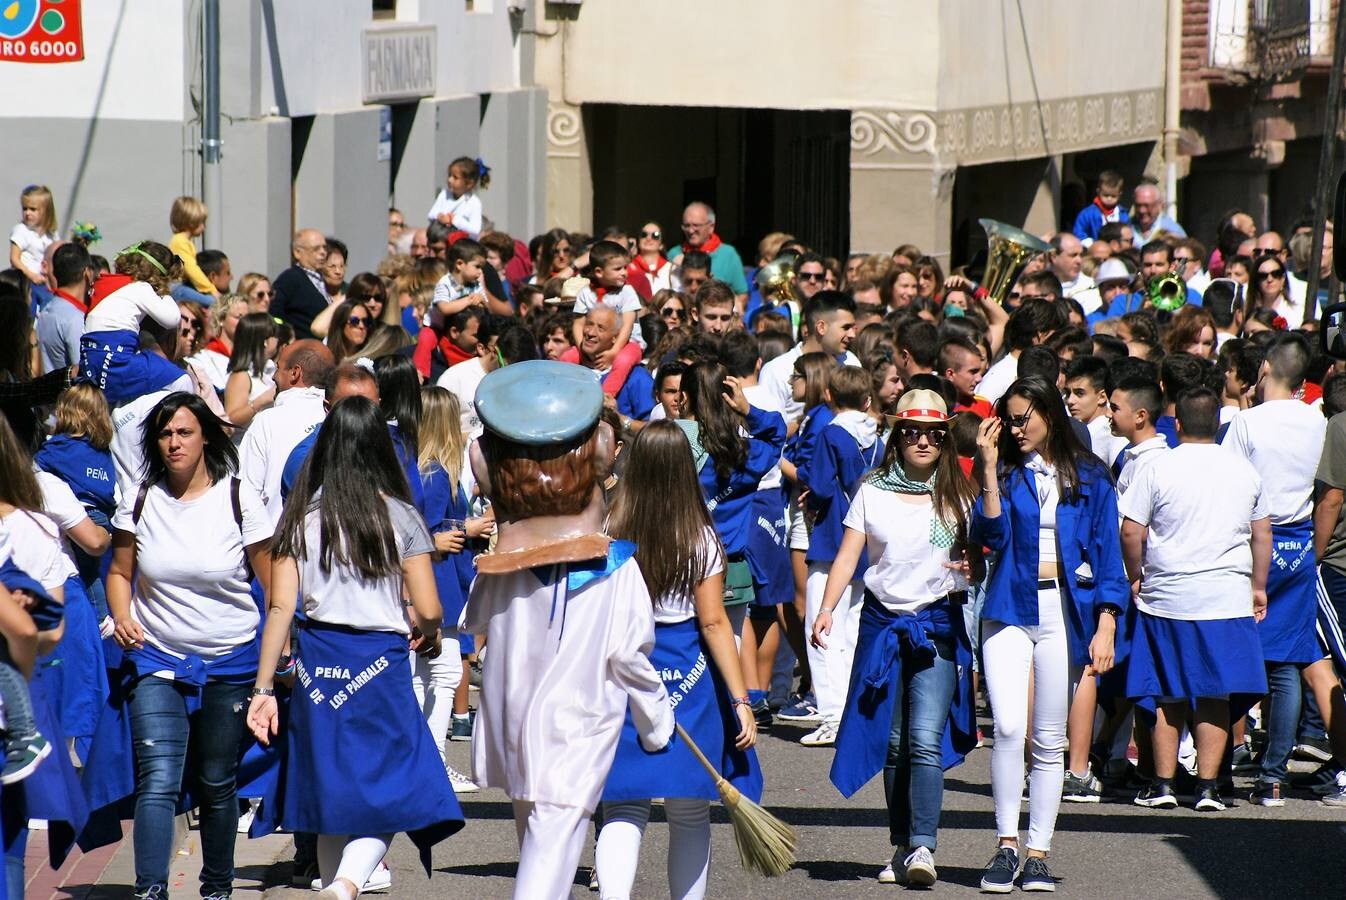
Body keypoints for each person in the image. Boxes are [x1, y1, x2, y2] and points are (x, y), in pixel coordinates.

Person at [465, 360, 674, 900]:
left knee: (533, 842)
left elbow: (476, 621)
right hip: (575, 733)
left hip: (515, 725)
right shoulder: (618, 571)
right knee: (547, 862)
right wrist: (657, 722)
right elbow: (630, 657)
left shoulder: (500, 571)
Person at [247, 396, 463, 900]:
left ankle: (333, 882)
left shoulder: (301, 517)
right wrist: (424, 627)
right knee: (393, 789)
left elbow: (279, 609)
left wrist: (262, 688)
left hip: (317, 662)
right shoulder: (401, 517)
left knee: (329, 792)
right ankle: (345, 884)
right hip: (380, 665)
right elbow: (430, 609)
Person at [105, 392, 273, 900]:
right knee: (157, 778)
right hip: (157, 656)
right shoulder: (139, 495)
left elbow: (273, 589)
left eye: (184, 432)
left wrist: (279, 659)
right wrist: (121, 614)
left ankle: (217, 887)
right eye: (164, 434)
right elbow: (118, 572)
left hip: (232, 660)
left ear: (205, 436)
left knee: (217, 781)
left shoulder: (239, 497)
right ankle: (150, 889)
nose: (174, 443)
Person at [817, 387, 980, 886]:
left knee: (924, 740)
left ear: (945, 438)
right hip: (882, 623)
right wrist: (825, 609)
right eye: (912, 431)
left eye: (933, 433)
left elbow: (985, 549)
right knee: (892, 745)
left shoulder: (963, 491)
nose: (923, 440)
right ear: (897, 436)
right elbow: (848, 554)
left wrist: (976, 565)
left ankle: (924, 849)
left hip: (937, 624)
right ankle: (901, 845)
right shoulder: (872, 489)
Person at [972, 376, 1128, 893]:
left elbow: (1109, 557)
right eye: (1009, 420)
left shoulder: (1091, 477)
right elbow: (989, 537)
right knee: (1009, 728)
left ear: (1049, 413)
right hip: (1007, 609)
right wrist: (989, 473)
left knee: (1048, 738)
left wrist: (1106, 622)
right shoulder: (1007, 473)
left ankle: (1038, 851)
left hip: (1066, 612)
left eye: (1023, 418)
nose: (1016, 429)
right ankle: (1005, 844)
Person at [595, 420, 760, 900]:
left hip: (622, 668)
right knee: (690, 811)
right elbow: (714, 625)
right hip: (689, 672)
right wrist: (741, 698)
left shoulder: (609, 527)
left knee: (623, 806)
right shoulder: (702, 538)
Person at [1120, 387, 1270, 812]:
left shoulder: (1158, 466)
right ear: (1219, 425)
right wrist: (1258, 586)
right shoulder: (1245, 470)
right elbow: (1262, 533)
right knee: (1216, 695)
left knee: (1167, 693)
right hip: (1226, 597)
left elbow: (1131, 531)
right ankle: (1207, 788)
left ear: (1178, 423)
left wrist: (1136, 576)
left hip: (1166, 595)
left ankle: (1163, 785)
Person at [1223, 333, 1330, 805]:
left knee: (1232, 655)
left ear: (1264, 367)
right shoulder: (1317, 422)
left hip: (1250, 543)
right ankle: (1273, 775)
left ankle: (1217, 765)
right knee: (1286, 664)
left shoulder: (1247, 422)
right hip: (1300, 543)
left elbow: (1223, 486)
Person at [800, 366, 885, 747]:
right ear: (868, 400)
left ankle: (831, 713)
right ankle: (851, 712)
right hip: (866, 539)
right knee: (852, 630)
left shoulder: (831, 433)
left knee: (819, 625)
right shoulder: (878, 438)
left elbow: (817, 484)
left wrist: (809, 497)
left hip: (833, 534)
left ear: (830, 396)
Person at [416, 387, 490, 793]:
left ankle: (430, 763)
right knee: (442, 674)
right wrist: (467, 528)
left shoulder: (433, 469)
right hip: (437, 582)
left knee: (433, 675)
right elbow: (424, 530)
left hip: (444, 580)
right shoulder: (434, 473)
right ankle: (435, 766)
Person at [78, 241, 194, 408]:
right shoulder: (140, 287)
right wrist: (163, 291)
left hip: (90, 364)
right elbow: (172, 319)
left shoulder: (104, 284)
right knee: (181, 379)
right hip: (116, 363)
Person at [239, 339, 334, 526]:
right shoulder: (340, 419)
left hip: (275, 546)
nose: (273, 376)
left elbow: (245, 495)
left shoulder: (267, 421)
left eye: (278, 367)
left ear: (295, 373)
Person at [759, 290, 860, 421]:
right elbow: (768, 428)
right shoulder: (778, 370)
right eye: (846, 328)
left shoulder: (851, 363)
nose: (852, 335)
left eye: (853, 328)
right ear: (821, 327)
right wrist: (808, 423)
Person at [563, 240, 644, 396]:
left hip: (627, 343)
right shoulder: (586, 293)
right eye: (617, 269)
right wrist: (581, 351)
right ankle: (565, 393)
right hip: (594, 345)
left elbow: (627, 327)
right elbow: (578, 324)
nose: (624, 272)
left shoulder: (627, 292)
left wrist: (614, 352)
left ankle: (604, 398)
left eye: (625, 267)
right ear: (599, 272)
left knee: (623, 361)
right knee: (567, 357)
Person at [668, 203, 749, 310]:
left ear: (711, 227)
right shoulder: (674, 254)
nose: (690, 231)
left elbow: (742, 295)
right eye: (686, 226)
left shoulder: (728, 254)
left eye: (696, 225)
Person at [222, 312, 279, 439]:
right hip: (244, 448)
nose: (278, 340)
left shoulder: (268, 372)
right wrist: (262, 401)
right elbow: (231, 419)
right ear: (265, 341)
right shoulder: (241, 376)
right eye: (275, 335)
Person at [1064, 356, 1127, 466]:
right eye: (1068, 393)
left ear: (1102, 397)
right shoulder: (1073, 430)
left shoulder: (1112, 436)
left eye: (1079, 393)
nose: (1070, 400)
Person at [271, 229, 331, 339]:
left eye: (325, 248)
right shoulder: (290, 278)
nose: (323, 252)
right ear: (297, 253)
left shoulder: (325, 279)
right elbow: (274, 312)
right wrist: (288, 337)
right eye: (316, 249)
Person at [189, 294, 249, 392]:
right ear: (221, 319)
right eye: (239, 317)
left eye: (248, 319)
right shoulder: (201, 358)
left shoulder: (250, 357)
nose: (245, 323)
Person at [426, 156, 489, 239]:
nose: (450, 180)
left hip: (462, 244)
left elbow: (475, 230)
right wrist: (440, 217)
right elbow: (431, 214)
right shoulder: (444, 194)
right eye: (449, 175)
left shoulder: (474, 202)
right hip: (441, 239)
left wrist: (454, 220)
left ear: (469, 183)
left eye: (455, 178)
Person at [167, 196, 217, 299]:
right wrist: (211, 290)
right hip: (177, 288)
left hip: (181, 286)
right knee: (212, 301)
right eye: (202, 222)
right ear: (191, 222)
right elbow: (191, 269)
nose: (204, 227)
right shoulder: (180, 242)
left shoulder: (183, 241)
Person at [10, 184, 57, 287]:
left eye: (33, 209)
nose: (27, 213)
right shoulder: (21, 230)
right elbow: (14, 259)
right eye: (24, 208)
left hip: (45, 284)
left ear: (46, 212)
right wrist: (32, 276)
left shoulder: (51, 235)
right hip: (26, 283)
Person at [1072, 170, 1128, 244]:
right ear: (1098, 192)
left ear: (1119, 195)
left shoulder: (1122, 214)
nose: (1109, 199)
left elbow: (1127, 231)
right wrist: (1089, 243)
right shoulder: (1088, 213)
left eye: (1113, 196)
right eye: (1106, 195)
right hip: (1094, 249)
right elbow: (1078, 231)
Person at [1130, 181, 1186, 246]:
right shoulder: (1126, 227)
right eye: (1138, 205)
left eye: (1147, 205)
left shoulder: (1173, 231)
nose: (1142, 210)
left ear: (1159, 204)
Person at [627, 221, 674, 297]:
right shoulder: (628, 267)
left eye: (655, 235)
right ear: (638, 241)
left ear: (661, 245)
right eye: (644, 235)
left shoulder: (671, 269)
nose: (648, 238)